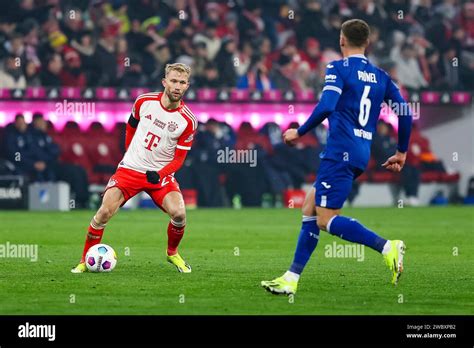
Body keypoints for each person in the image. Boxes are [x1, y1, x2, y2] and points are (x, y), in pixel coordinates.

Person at [261, 19, 413, 295]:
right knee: (309, 209)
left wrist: (300, 131)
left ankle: (387, 246)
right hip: (360, 151)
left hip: (340, 151)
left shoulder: (338, 68)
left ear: (342, 40)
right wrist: (401, 151)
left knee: (325, 219)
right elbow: (404, 112)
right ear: (367, 42)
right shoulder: (381, 76)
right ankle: (291, 279)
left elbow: (327, 105)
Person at [71, 63, 197, 273]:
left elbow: (179, 159)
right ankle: (85, 260)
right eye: (173, 81)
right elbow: (131, 126)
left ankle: (172, 253)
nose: (177, 86)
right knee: (104, 213)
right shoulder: (144, 101)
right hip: (130, 169)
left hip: (160, 176)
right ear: (164, 82)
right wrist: (130, 152)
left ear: (187, 86)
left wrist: (159, 174)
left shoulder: (188, 121)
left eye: (182, 83)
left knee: (179, 215)